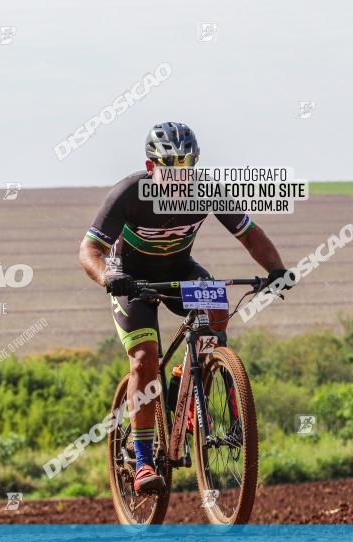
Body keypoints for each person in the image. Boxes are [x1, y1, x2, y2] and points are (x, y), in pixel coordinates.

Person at [78, 122, 292, 492]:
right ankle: (144, 460)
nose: (180, 178)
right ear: (150, 168)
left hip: (179, 271)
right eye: (170, 169)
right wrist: (107, 277)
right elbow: (89, 250)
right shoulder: (128, 194)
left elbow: (249, 234)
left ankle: (189, 380)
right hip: (132, 280)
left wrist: (276, 270)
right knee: (144, 360)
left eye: (186, 168)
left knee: (217, 310)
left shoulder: (206, 191)